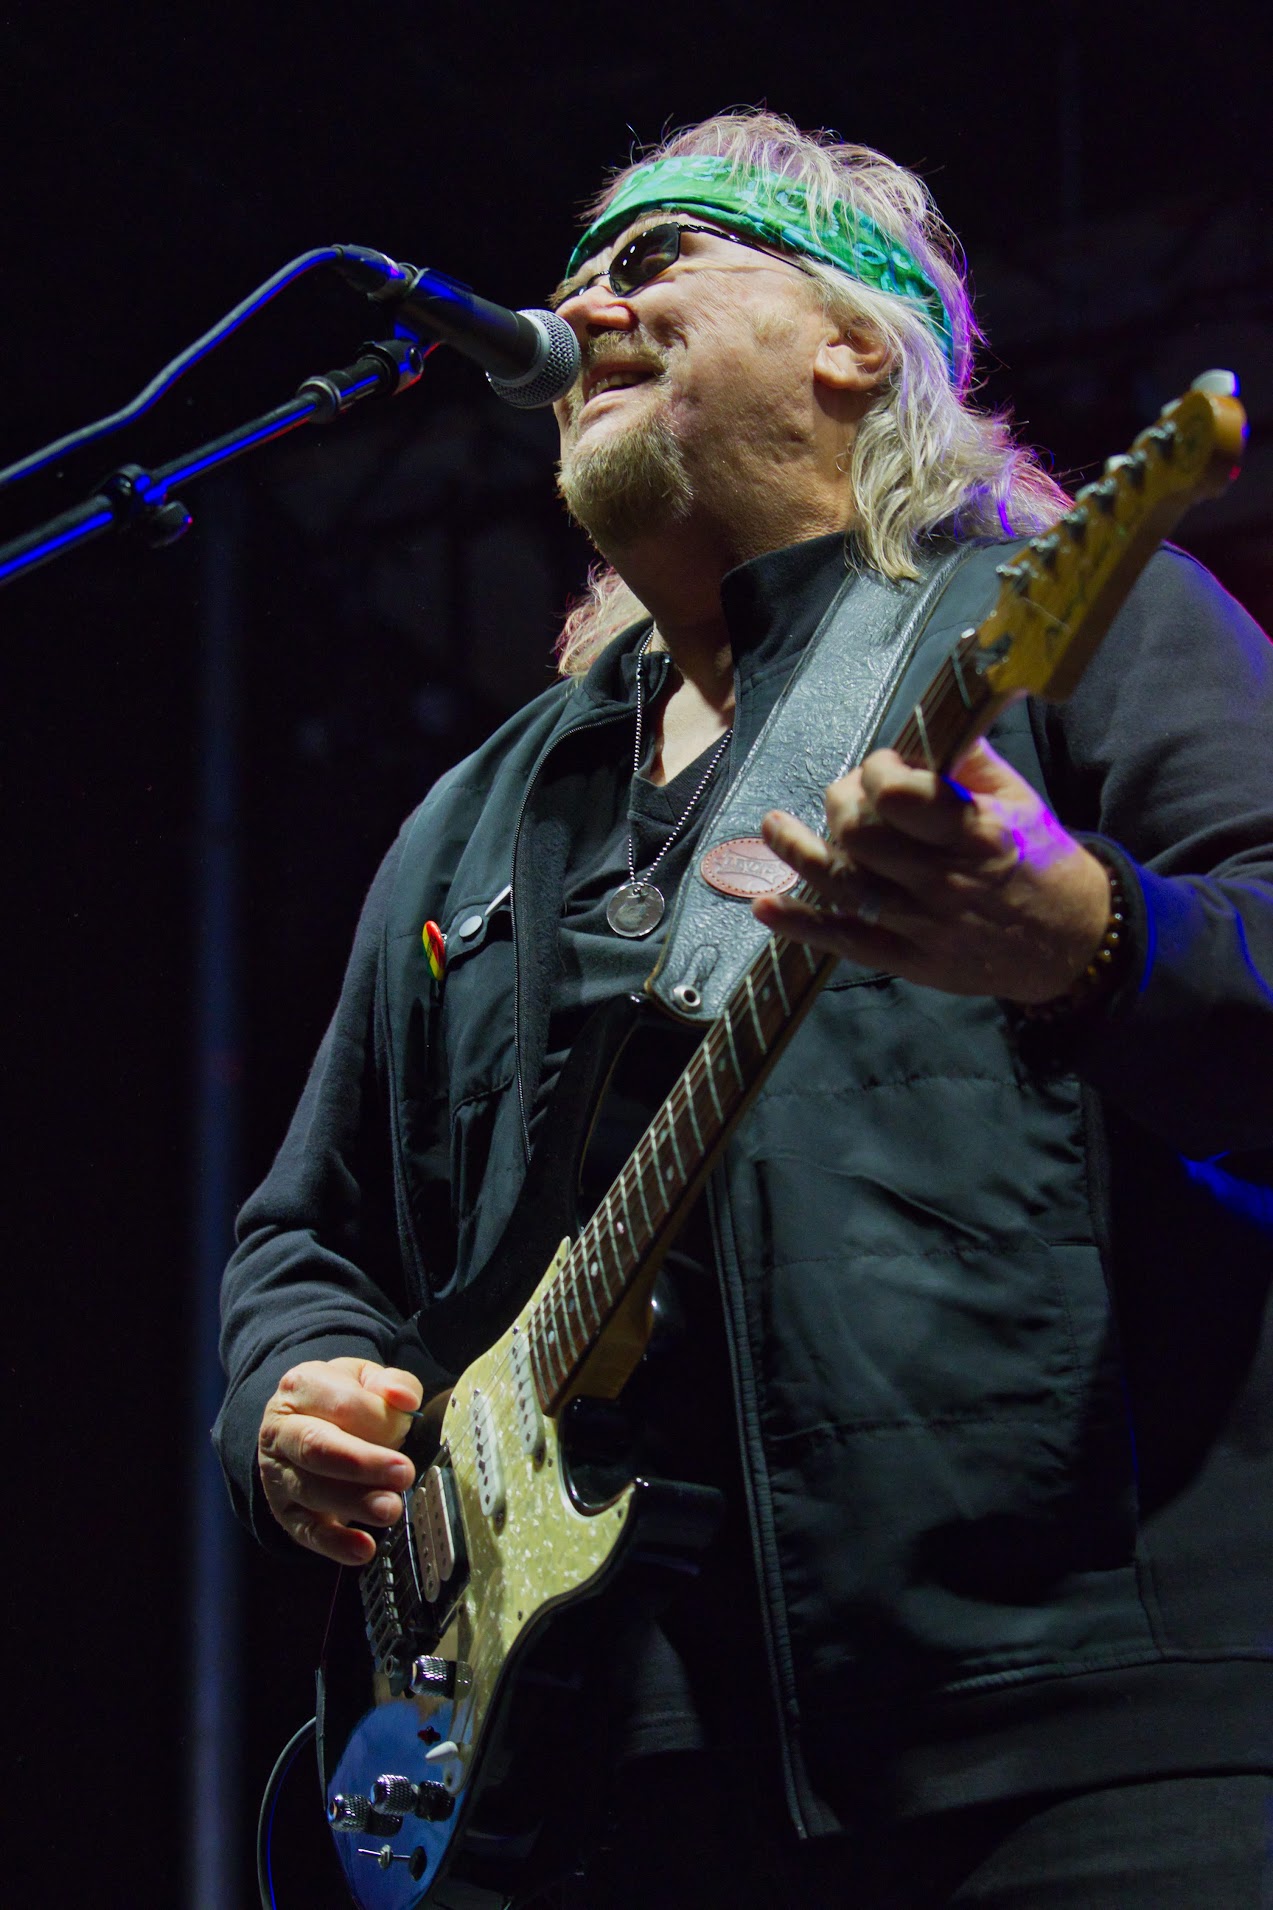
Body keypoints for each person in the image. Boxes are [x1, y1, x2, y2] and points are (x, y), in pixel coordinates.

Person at [215, 110, 1273, 1907]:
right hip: (605, 1774)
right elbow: (310, 1231)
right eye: (574, 277)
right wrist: (284, 1399)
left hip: (1066, 1724)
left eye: (652, 259)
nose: (580, 310)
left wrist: (1092, 942)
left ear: (853, 341)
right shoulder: (474, 816)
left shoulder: (1084, 631)